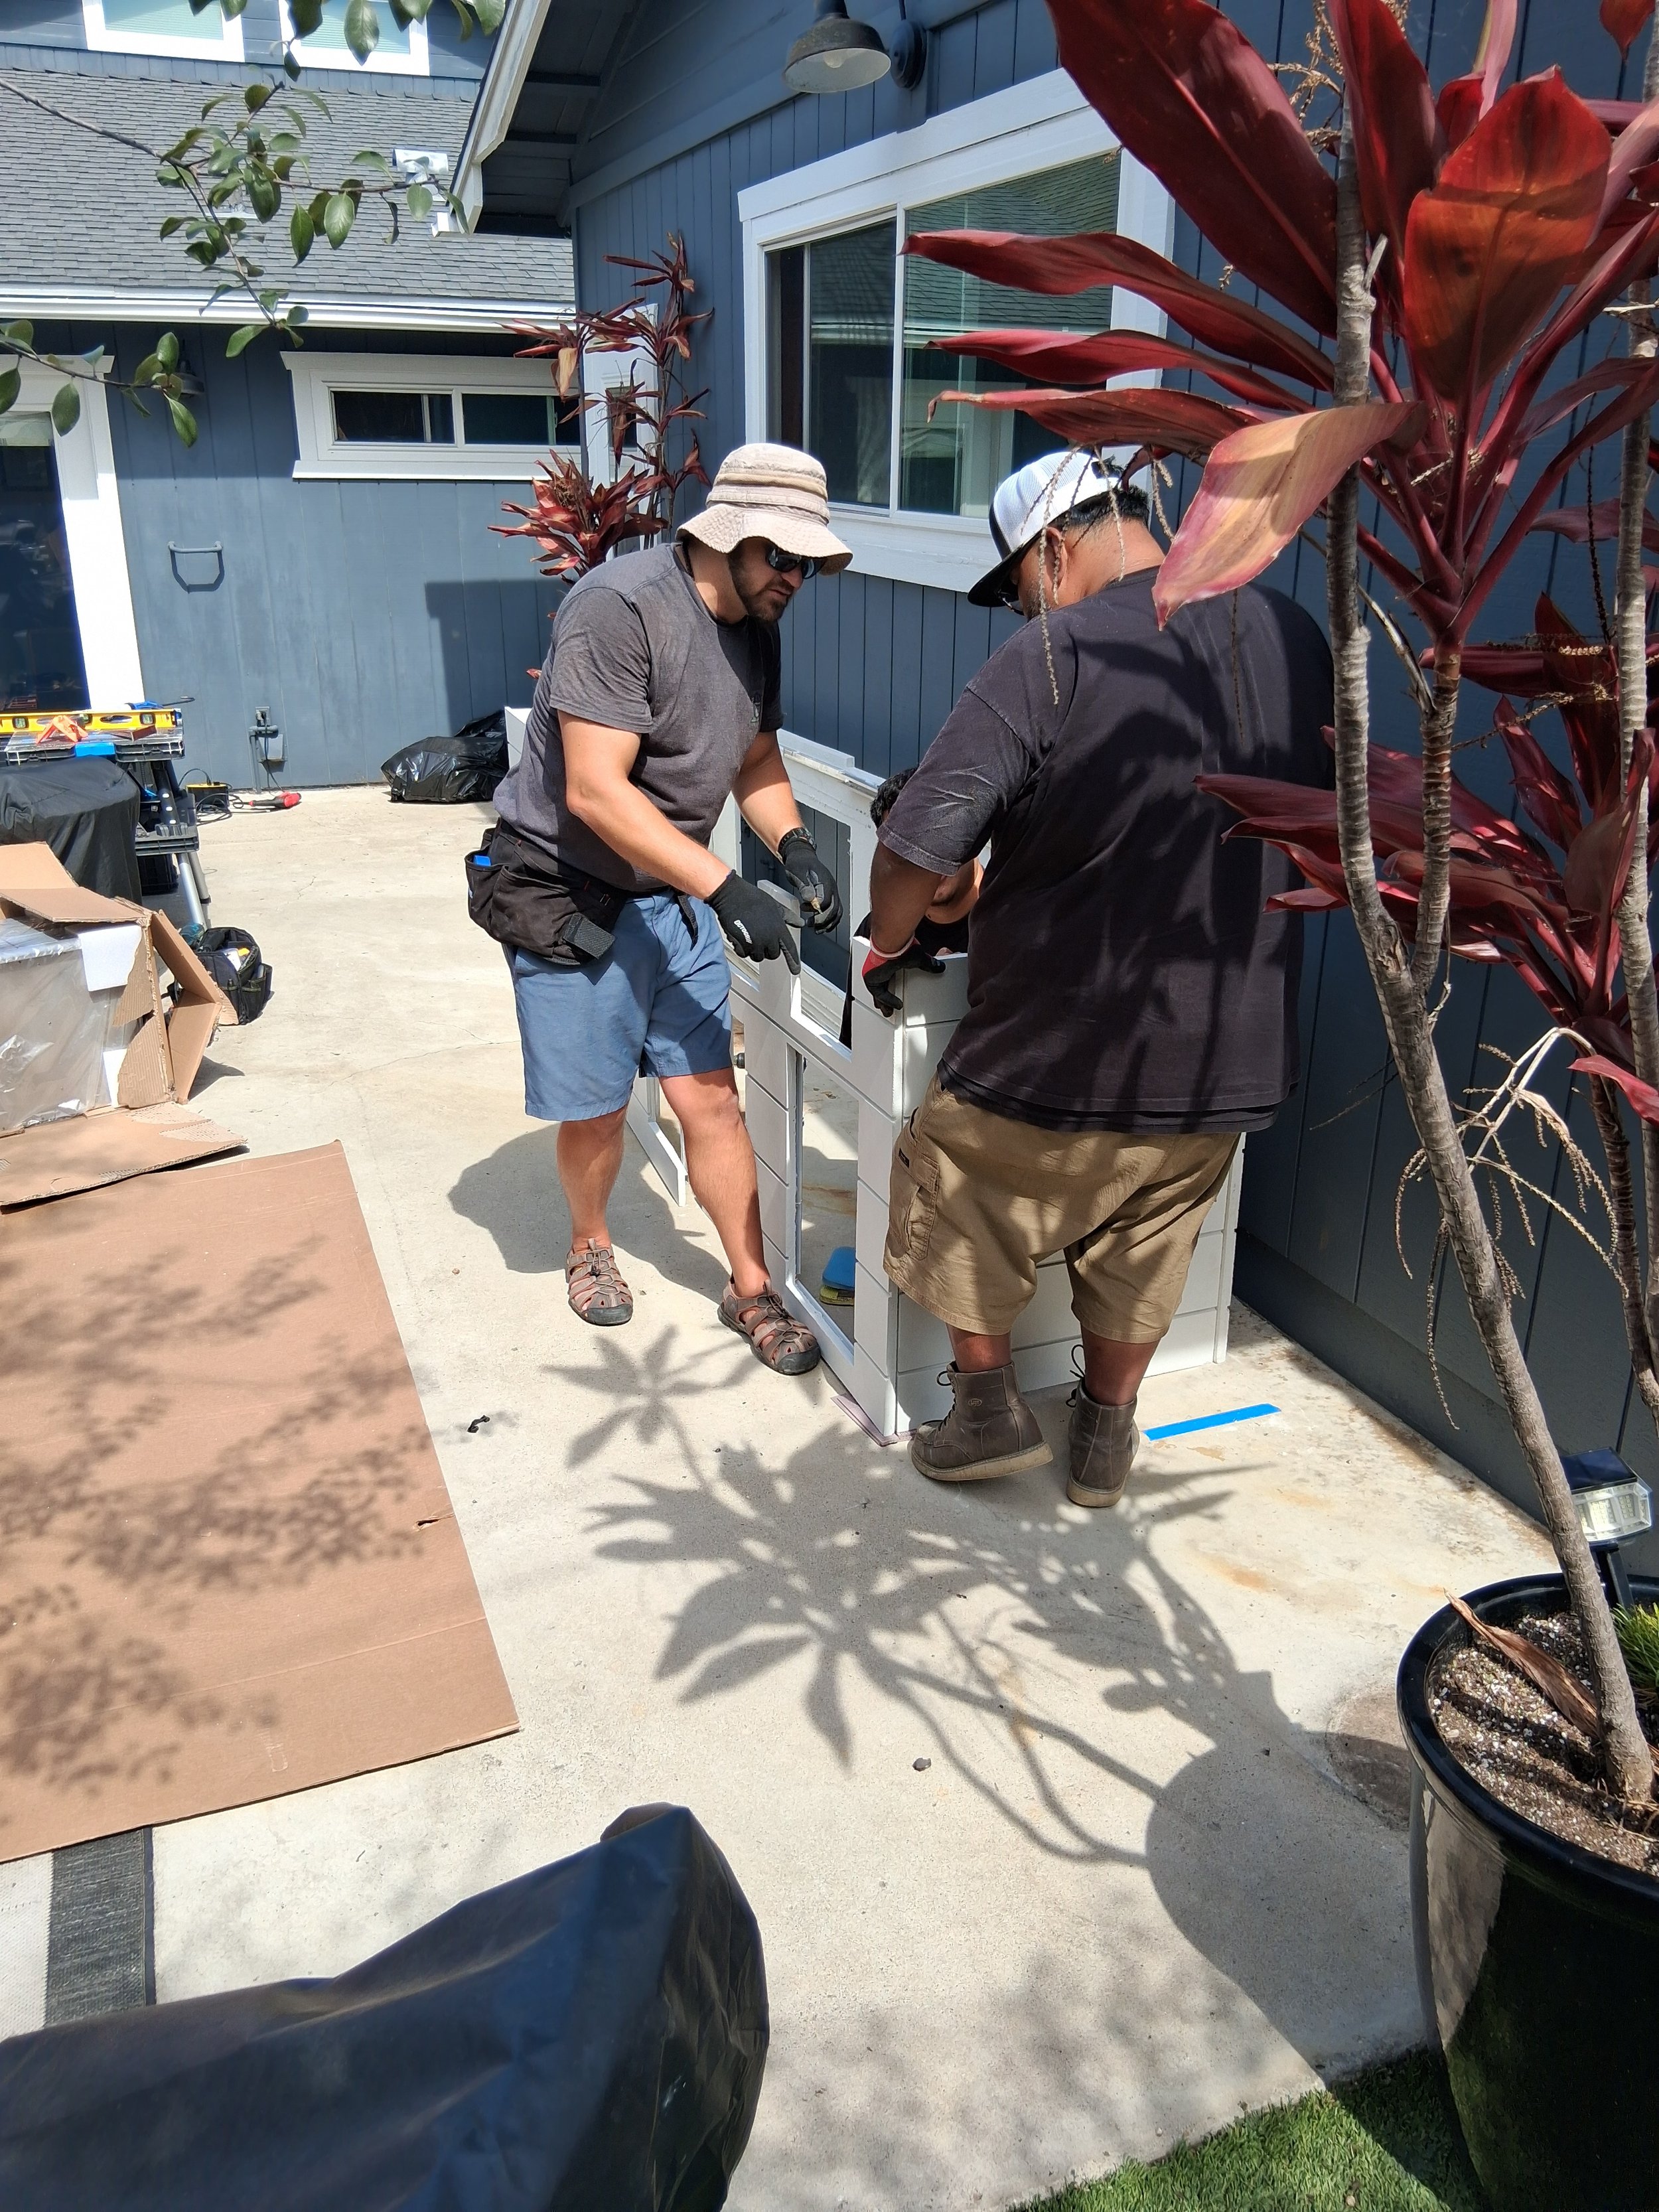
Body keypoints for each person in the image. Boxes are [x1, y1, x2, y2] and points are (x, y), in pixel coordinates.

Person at [865, 448, 1333, 1502]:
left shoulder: (1053, 654)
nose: (1018, 609)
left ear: (1057, 545)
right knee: (1150, 1232)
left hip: (1057, 1055)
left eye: (1017, 584)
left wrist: (899, 924)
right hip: (1230, 1055)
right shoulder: (1296, 639)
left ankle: (986, 1410)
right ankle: (1104, 1437)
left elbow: (915, 851)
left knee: (954, 1181)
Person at [483, 442, 851, 1378]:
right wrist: (724, 886)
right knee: (602, 1109)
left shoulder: (758, 620)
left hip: (669, 894)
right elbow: (598, 792)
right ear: (726, 540)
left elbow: (755, 756)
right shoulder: (619, 608)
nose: (797, 578)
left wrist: (793, 846)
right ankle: (591, 1241)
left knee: (712, 1103)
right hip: (570, 887)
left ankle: (749, 1283)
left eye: (809, 562)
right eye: (783, 556)